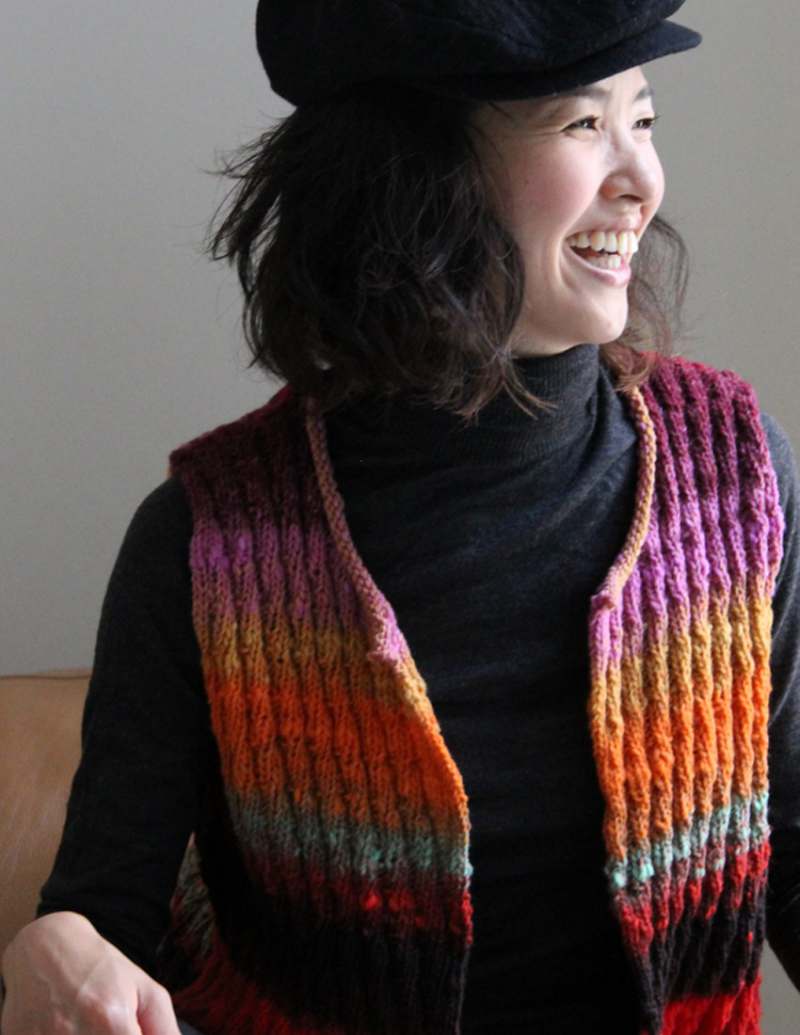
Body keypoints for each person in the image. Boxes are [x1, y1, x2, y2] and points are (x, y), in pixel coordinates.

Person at [2, 2, 800, 1033]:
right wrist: (56, 949)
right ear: (419, 179)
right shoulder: (206, 546)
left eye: (641, 119)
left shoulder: (734, 477)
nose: (640, 180)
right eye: (581, 123)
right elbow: (100, 933)